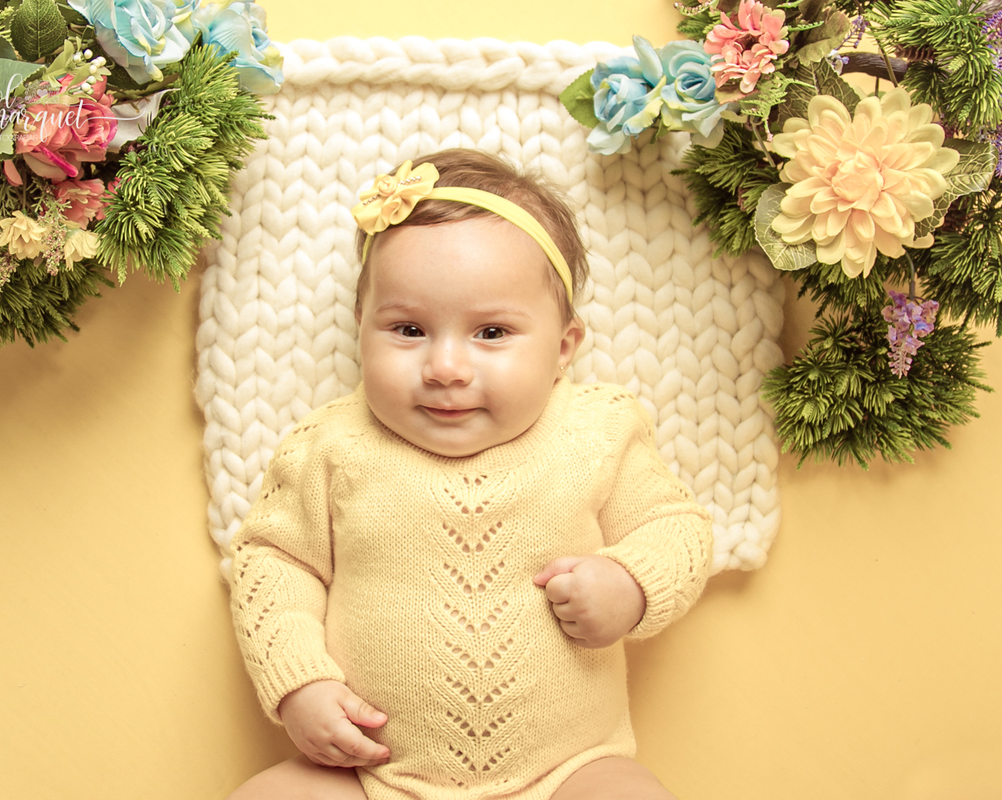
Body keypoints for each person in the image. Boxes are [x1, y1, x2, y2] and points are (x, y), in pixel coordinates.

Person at [224, 149, 713, 800]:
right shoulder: (332, 445)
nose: (446, 366)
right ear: (361, 330)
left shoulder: (597, 430)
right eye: (408, 329)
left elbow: (676, 528)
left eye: (490, 332)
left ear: (563, 348)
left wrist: (631, 584)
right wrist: (300, 684)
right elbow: (273, 566)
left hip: (568, 770)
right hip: (371, 776)